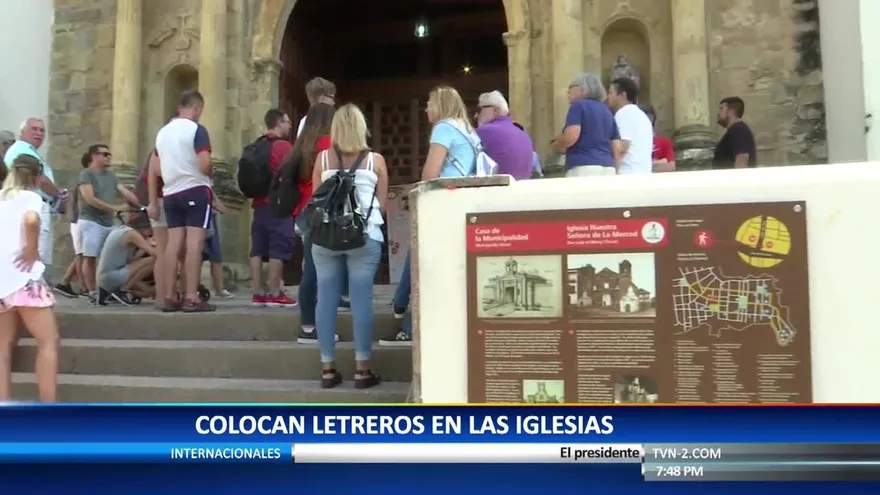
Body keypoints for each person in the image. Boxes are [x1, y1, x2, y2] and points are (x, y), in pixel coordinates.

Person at [381, 86, 478, 347]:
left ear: (441, 105)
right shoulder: (468, 131)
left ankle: (405, 315)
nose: (426, 108)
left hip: (442, 202)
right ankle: (401, 306)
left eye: (429, 103)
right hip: (461, 203)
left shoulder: (444, 128)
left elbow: (430, 173)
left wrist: (415, 193)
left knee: (422, 265)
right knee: (423, 259)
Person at [310, 103, 387, 389]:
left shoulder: (322, 160)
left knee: (326, 299)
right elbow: (381, 205)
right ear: (361, 127)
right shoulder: (375, 161)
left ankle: (328, 369)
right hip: (364, 236)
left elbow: (317, 202)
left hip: (326, 238)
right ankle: (362, 368)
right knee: (361, 300)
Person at [0, 155, 59, 402]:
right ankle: (48, 407)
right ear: (37, 176)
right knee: (48, 342)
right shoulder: (31, 196)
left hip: (2, 281)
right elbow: (32, 219)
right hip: (25, 280)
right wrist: (32, 249)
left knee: (2, 349)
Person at [288, 103, 344, 343]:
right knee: (323, 270)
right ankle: (317, 327)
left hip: (303, 210)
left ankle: (308, 325)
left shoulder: (300, 146)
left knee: (309, 270)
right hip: (322, 210)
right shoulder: (328, 144)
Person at [155, 90, 215, 312]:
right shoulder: (197, 130)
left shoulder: (162, 133)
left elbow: (157, 165)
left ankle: (169, 295)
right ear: (197, 108)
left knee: (173, 244)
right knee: (194, 244)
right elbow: (204, 163)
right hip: (195, 189)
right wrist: (211, 172)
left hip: (170, 192)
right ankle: (191, 296)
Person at [77, 144, 141, 304]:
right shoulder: (86, 174)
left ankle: (110, 289)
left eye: (109, 154)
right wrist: (116, 208)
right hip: (90, 221)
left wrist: (139, 205)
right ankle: (92, 291)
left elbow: (123, 191)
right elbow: (90, 199)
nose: (108, 157)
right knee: (90, 257)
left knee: (117, 253)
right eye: (104, 154)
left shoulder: (111, 175)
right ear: (94, 156)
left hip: (107, 222)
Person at [249, 108, 297, 307]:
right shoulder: (283, 146)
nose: (289, 125)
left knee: (257, 249)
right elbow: (293, 173)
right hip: (278, 203)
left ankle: (257, 293)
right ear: (278, 123)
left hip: (259, 203)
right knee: (279, 246)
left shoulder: (256, 144)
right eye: (286, 122)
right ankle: (275, 292)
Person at [4, 118, 60, 275]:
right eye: (34, 129)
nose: (39, 133)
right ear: (22, 132)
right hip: (35, 201)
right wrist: (58, 193)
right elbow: (32, 219)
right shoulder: (23, 151)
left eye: (42, 130)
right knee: (34, 263)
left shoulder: (28, 151)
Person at [552, 73, 619, 177]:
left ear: (582, 89)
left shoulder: (578, 106)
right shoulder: (607, 111)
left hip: (583, 166)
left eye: (571, 87)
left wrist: (558, 143)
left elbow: (571, 136)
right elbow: (617, 147)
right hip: (608, 167)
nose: (568, 91)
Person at [95, 212, 156, 305]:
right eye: (151, 230)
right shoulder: (131, 234)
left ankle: (112, 295)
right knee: (153, 260)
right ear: (145, 227)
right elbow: (155, 255)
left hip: (107, 278)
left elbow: (131, 261)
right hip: (111, 276)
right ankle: (123, 291)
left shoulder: (121, 231)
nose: (151, 233)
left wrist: (145, 246)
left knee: (149, 292)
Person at [54, 153, 91, 297]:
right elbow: (73, 201)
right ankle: (84, 288)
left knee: (82, 254)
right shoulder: (83, 178)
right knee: (82, 255)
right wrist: (74, 219)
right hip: (79, 220)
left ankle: (65, 282)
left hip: (79, 220)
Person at [474, 90, 535, 179]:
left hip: (498, 189)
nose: (476, 115)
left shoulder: (485, 131)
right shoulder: (522, 133)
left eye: (480, 110)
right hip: (521, 188)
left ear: (496, 110)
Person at [606, 77, 653, 175]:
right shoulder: (641, 115)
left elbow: (621, 147)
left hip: (628, 174)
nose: (607, 97)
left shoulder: (624, 113)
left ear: (623, 94)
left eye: (611, 93)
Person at [713, 96, 757, 169]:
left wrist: (736, 179)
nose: (718, 112)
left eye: (721, 108)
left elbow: (742, 158)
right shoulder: (735, 130)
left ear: (731, 111)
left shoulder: (739, 130)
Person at [204, 198, 234, 299]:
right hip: (201, 211)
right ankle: (218, 289)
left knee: (215, 252)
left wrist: (216, 202)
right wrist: (216, 204)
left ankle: (219, 288)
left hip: (208, 212)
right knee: (202, 252)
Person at [640, 105, 676, 173]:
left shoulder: (664, 142)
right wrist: (661, 162)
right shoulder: (632, 144)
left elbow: (671, 167)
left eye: (650, 118)